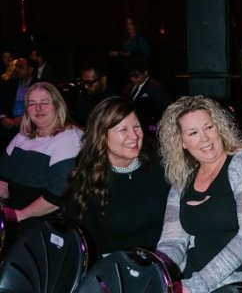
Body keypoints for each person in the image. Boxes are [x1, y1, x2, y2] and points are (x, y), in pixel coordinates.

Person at [156, 95, 242, 293]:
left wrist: (196, 286)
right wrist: (158, 275)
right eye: (193, 133)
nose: (205, 139)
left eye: (208, 127)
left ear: (219, 127)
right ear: (181, 142)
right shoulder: (182, 179)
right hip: (193, 277)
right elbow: (172, 240)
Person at [65, 97, 170, 260]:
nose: (134, 136)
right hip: (112, 267)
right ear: (102, 136)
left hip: (162, 261)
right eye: (123, 130)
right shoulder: (86, 178)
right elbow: (80, 243)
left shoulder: (160, 166)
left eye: (136, 127)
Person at [0, 82, 83, 234]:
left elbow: (57, 196)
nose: (38, 108)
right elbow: (3, 179)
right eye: (32, 104)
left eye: (44, 102)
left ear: (58, 106)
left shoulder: (69, 137)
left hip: (46, 224)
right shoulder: (22, 136)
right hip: (16, 217)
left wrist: (19, 215)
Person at [122, 57, 171, 129]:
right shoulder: (128, 87)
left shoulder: (156, 87)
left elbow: (165, 110)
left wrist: (154, 128)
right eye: (131, 76)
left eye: (136, 76)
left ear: (145, 72)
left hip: (149, 128)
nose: (133, 79)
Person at [0, 56, 35, 147]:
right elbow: (1, 103)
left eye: (21, 67)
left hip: (29, 123)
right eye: (16, 66)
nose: (17, 69)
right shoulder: (10, 84)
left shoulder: (38, 86)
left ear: (30, 70)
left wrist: (24, 118)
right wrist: (3, 118)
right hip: (9, 122)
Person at [73, 62, 117, 126]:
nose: (85, 86)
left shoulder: (113, 102)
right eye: (84, 82)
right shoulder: (84, 98)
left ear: (103, 80)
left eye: (89, 82)